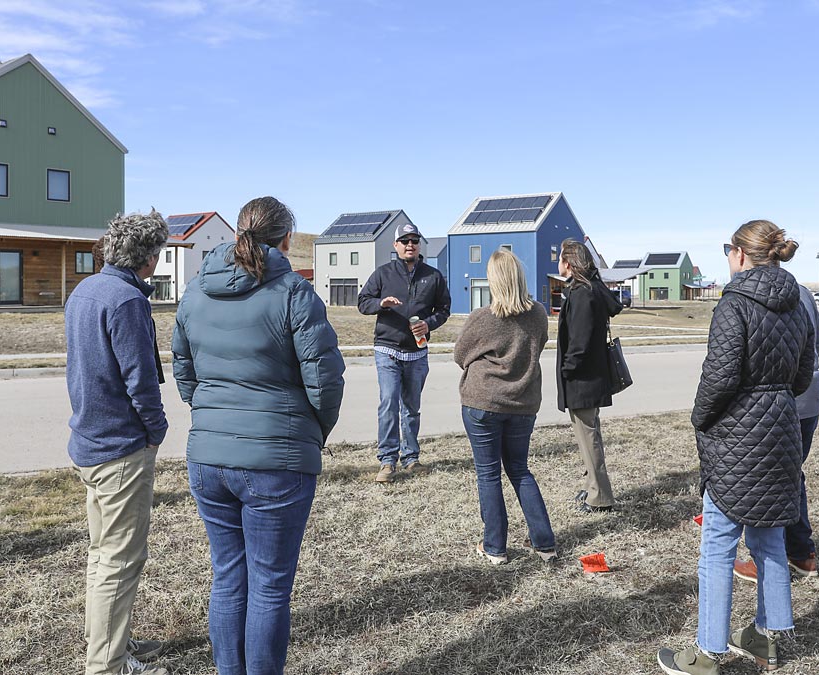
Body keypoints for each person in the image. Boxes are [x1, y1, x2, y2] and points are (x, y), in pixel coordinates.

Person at [172, 196, 344, 675]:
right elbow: (325, 380)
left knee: (228, 579)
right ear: (285, 238)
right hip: (277, 458)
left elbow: (184, 371)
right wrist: (314, 432)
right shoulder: (293, 292)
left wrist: (210, 414)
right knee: (268, 587)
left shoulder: (195, 292)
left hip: (209, 455)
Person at [657, 220, 816, 675]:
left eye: (729, 250)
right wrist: (773, 395)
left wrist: (701, 416)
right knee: (769, 537)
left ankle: (707, 652)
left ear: (741, 255)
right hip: (781, 425)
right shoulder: (797, 303)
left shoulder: (736, 304)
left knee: (718, 545)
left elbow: (720, 376)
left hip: (738, 432)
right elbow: (804, 372)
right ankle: (766, 638)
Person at [65, 210, 170, 675]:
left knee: (102, 554)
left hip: (90, 439)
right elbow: (140, 379)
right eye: (159, 253)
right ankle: (107, 664)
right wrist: (156, 431)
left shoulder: (84, 290)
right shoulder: (126, 300)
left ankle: (113, 643)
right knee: (120, 560)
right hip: (120, 447)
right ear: (147, 258)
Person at [454, 250, 557, 565]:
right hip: (523, 402)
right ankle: (544, 543)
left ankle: (495, 547)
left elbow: (460, 355)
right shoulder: (538, 313)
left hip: (482, 401)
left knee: (488, 474)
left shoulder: (483, 317)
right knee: (520, 469)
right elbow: (537, 347)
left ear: (493, 281)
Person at [733, 282, 819, 582]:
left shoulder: (746, 295)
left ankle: (768, 561)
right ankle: (801, 555)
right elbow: (818, 339)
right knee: (791, 475)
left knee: (769, 481)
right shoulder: (803, 292)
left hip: (778, 402)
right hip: (808, 396)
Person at [357, 222, 451, 483]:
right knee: (388, 403)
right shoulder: (383, 274)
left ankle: (411, 458)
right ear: (395, 245)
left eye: (414, 241)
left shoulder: (433, 276)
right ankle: (388, 460)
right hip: (387, 350)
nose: (410, 245)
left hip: (417, 353)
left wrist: (429, 324)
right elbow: (362, 302)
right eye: (405, 241)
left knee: (411, 407)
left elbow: (444, 309)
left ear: (419, 245)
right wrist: (380, 304)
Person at [555, 238, 623, 513]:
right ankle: (592, 486)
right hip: (590, 376)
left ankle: (600, 496)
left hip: (583, 378)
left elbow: (579, 343)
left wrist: (566, 368)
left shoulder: (582, 293)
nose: (557, 263)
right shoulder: (589, 289)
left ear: (568, 264)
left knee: (588, 436)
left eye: (559, 258)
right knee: (587, 434)